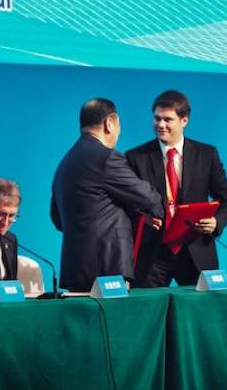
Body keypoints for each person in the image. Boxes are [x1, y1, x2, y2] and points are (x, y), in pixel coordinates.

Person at [51, 98, 164, 292]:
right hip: (107, 269)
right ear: (109, 123)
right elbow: (150, 200)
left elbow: (58, 219)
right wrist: (149, 211)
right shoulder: (107, 158)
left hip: (76, 271)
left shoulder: (65, 163)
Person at [125, 90, 227, 287]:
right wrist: (143, 218)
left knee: (203, 307)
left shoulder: (207, 154)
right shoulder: (135, 157)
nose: (160, 125)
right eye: (157, 118)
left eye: (168, 119)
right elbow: (127, 205)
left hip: (196, 250)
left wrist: (216, 222)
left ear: (184, 120)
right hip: (153, 255)